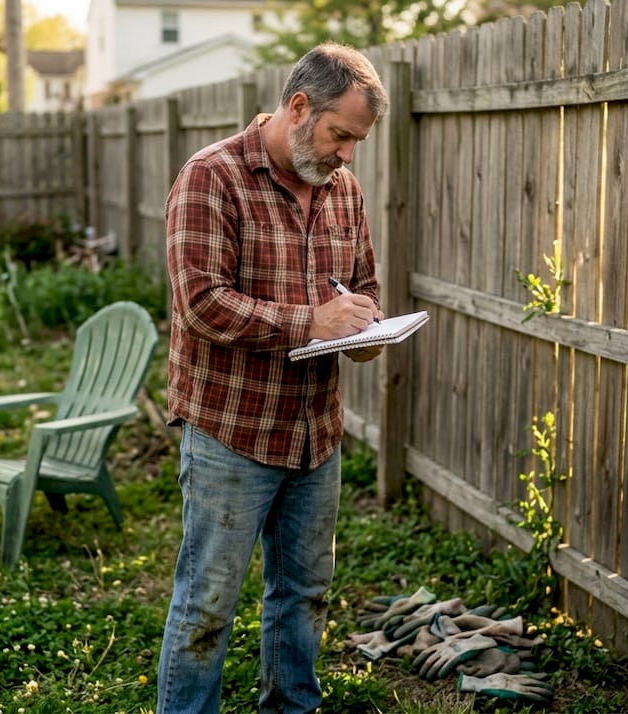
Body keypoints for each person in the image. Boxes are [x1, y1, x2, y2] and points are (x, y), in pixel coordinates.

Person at [156, 42, 390, 714]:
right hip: (231, 431)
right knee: (207, 605)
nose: (349, 155)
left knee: (305, 594)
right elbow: (201, 303)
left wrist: (367, 332)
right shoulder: (211, 177)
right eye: (340, 134)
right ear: (298, 106)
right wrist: (311, 322)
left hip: (315, 433)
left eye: (358, 140)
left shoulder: (343, 190)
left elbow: (364, 287)